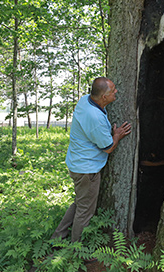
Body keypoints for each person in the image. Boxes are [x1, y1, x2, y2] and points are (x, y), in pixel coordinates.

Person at [52, 77, 131, 244]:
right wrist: (116, 135)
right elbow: (108, 147)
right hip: (86, 170)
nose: (116, 92)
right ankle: (77, 249)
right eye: (113, 91)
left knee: (80, 204)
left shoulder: (85, 101)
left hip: (78, 164)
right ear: (103, 97)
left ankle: (58, 238)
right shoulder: (94, 117)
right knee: (85, 211)